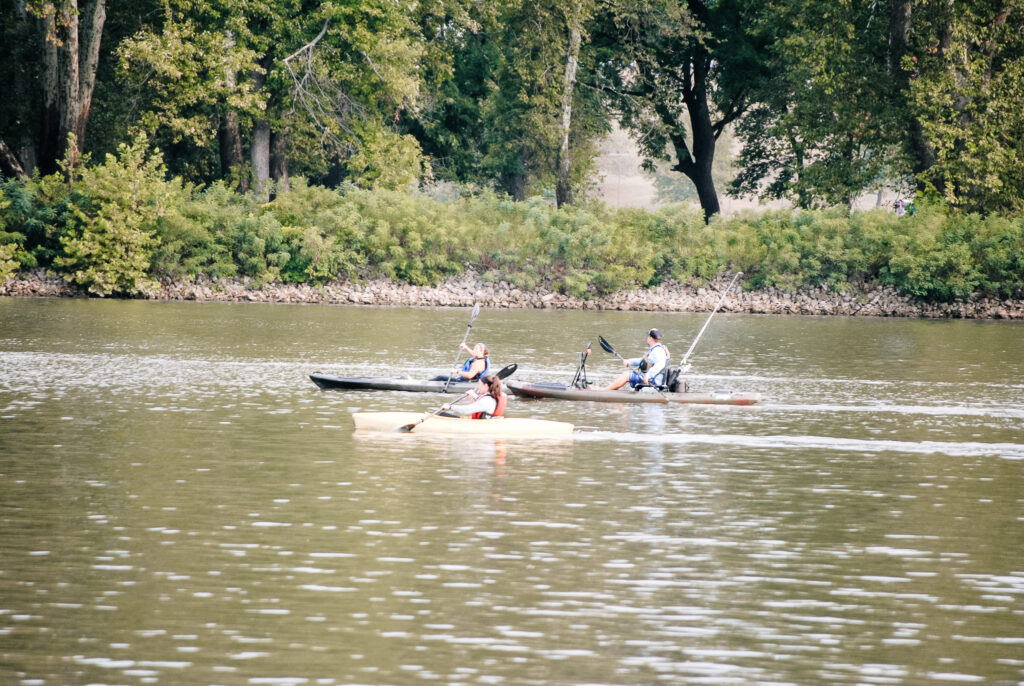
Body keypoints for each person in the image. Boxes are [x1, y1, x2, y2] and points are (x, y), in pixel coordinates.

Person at [599, 329, 670, 391]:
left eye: (648, 336)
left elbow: (660, 364)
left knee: (626, 375)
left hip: (654, 381)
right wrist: (630, 361)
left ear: (650, 338)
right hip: (653, 378)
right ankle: (611, 389)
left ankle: (605, 390)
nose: (647, 338)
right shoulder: (655, 349)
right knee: (628, 374)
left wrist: (649, 375)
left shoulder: (657, 351)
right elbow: (644, 361)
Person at [440, 374, 507, 419]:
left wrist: (450, 407)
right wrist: (474, 395)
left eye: (479, 384)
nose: (478, 387)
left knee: (443, 414)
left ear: (486, 386)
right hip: (485, 422)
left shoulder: (487, 400)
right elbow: (483, 404)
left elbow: (466, 410)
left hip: (481, 425)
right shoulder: (492, 396)